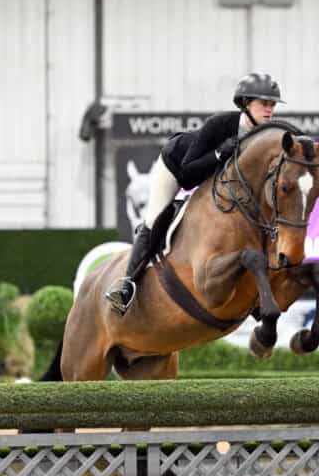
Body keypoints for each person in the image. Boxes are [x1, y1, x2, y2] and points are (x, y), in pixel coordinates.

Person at [105, 72, 284, 314]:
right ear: (246, 103)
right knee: (155, 217)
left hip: (214, 179)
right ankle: (127, 286)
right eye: (264, 103)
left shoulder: (264, 136)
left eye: (272, 104)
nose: (269, 110)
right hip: (176, 166)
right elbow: (188, 177)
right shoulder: (219, 125)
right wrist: (220, 154)